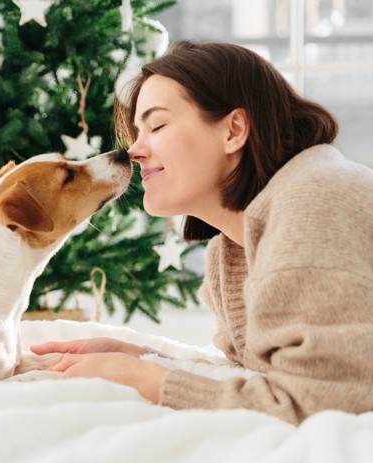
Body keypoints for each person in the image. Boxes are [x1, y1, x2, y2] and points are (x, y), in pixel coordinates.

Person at [28, 40, 373, 425]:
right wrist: (138, 357)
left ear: (234, 130)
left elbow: (325, 402)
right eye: (136, 132)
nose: (135, 151)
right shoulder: (232, 248)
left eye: (156, 125)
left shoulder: (315, 207)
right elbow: (259, 376)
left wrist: (147, 380)